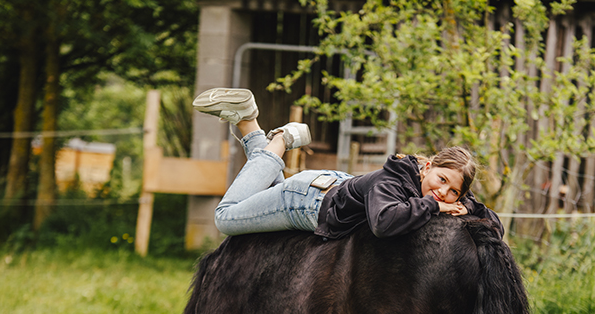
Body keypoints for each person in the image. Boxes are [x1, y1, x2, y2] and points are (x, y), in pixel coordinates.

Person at [192, 87, 504, 240]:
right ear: (428, 167)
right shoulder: (392, 180)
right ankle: (281, 140)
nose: (443, 192)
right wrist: (436, 207)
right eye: (442, 179)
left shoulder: (440, 194)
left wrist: (473, 209)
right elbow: (384, 223)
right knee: (226, 218)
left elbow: (495, 227)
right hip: (306, 201)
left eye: (453, 191)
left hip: (325, 186)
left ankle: (247, 122)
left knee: (264, 189)